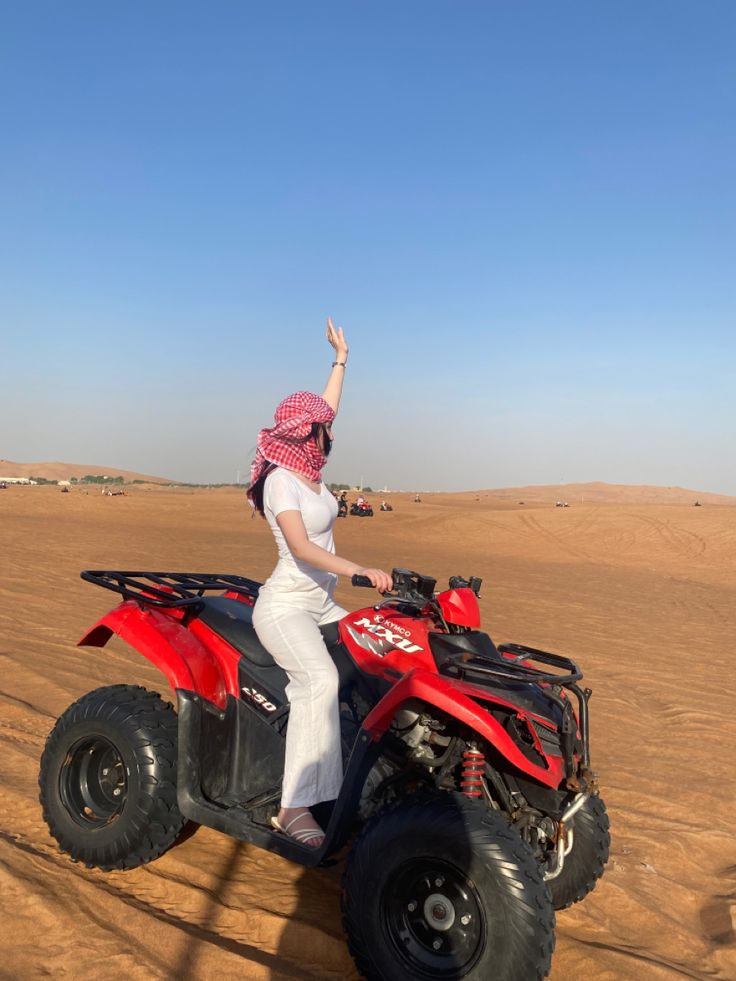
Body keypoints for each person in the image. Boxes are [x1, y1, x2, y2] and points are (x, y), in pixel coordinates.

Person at [246, 318, 392, 848]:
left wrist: (341, 358)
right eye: (324, 426)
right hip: (286, 607)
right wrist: (360, 571)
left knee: (383, 653)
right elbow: (303, 549)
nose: (332, 430)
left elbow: (327, 406)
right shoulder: (281, 482)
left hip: (322, 604)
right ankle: (293, 808)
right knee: (320, 682)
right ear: (309, 432)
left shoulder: (312, 474)